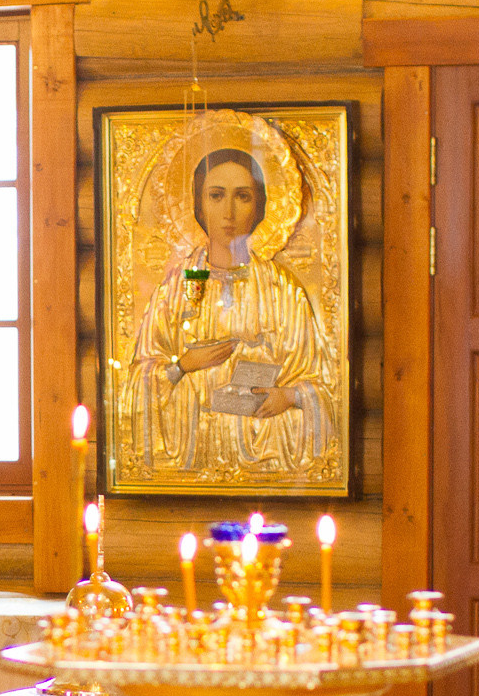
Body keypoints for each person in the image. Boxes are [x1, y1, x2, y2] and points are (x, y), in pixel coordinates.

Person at [123, 145, 339, 482]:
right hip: (192, 452)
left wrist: (289, 396)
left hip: (266, 455)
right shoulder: (174, 288)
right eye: (216, 196)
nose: (229, 212)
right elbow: (137, 381)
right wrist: (183, 367)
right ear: (198, 205)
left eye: (242, 197)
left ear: (259, 207)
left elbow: (325, 384)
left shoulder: (282, 290)